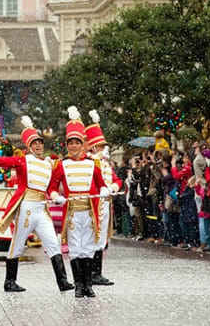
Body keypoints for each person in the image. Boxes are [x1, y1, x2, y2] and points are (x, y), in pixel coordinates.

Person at [0, 115, 73, 294]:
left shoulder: (49, 164)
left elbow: (52, 186)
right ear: (29, 146)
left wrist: (56, 195)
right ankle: (9, 282)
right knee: (17, 244)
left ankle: (62, 281)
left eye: (40, 142)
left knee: (53, 244)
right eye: (34, 143)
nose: (39, 145)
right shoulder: (23, 160)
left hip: (41, 208)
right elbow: (4, 162)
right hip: (27, 208)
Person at [51, 107, 109, 298]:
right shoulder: (62, 164)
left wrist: (103, 191)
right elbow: (52, 187)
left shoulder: (93, 164)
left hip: (90, 211)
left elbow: (101, 184)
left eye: (77, 143)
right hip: (73, 212)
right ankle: (78, 285)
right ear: (67, 146)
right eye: (71, 143)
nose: (74, 146)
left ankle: (88, 284)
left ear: (83, 145)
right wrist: (55, 196)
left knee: (89, 246)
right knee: (76, 248)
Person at [85, 110, 121, 286]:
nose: (104, 149)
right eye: (100, 146)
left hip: (106, 203)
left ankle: (96, 272)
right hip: (94, 202)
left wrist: (113, 187)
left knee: (101, 239)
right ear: (93, 147)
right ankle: (91, 273)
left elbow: (116, 180)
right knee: (94, 236)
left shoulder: (105, 163)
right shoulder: (90, 162)